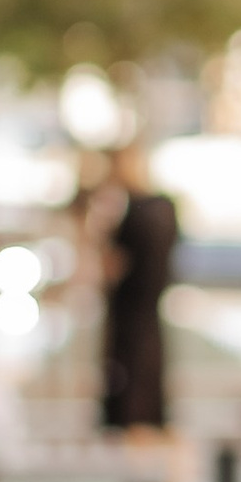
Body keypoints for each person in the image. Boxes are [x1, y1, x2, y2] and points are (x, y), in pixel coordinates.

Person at [99, 147, 180, 433]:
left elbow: (114, 264)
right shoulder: (162, 208)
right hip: (144, 307)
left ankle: (136, 423)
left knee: (134, 367)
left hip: (134, 307)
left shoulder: (140, 211)